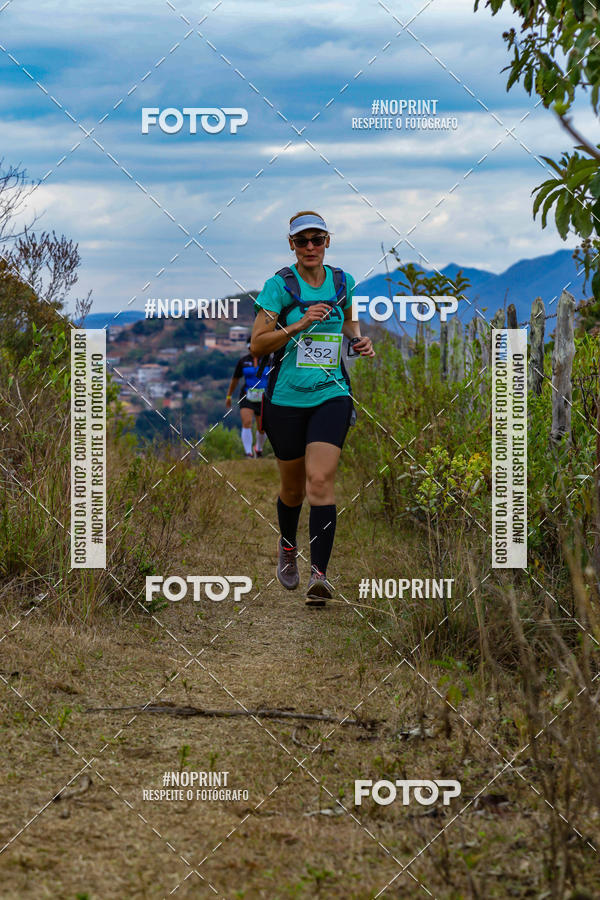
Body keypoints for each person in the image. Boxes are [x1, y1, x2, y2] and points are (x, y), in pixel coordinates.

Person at [250, 210, 375, 605]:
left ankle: (319, 576)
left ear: (327, 242)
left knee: (320, 481)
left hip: (330, 393)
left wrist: (359, 341)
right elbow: (258, 344)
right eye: (301, 241)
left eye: (316, 240)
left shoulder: (343, 282)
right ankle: (288, 546)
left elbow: (350, 321)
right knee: (292, 490)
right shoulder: (279, 286)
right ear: (291, 245)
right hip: (285, 400)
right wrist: (299, 325)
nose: (309, 247)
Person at [226, 340, 270, 458]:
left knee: (262, 427)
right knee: (247, 422)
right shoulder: (243, 361)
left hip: (263, 397)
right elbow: (235, 379)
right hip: (247, 396)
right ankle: (248, 453)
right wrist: (229, 396)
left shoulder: (268, 360)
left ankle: (258, 449)